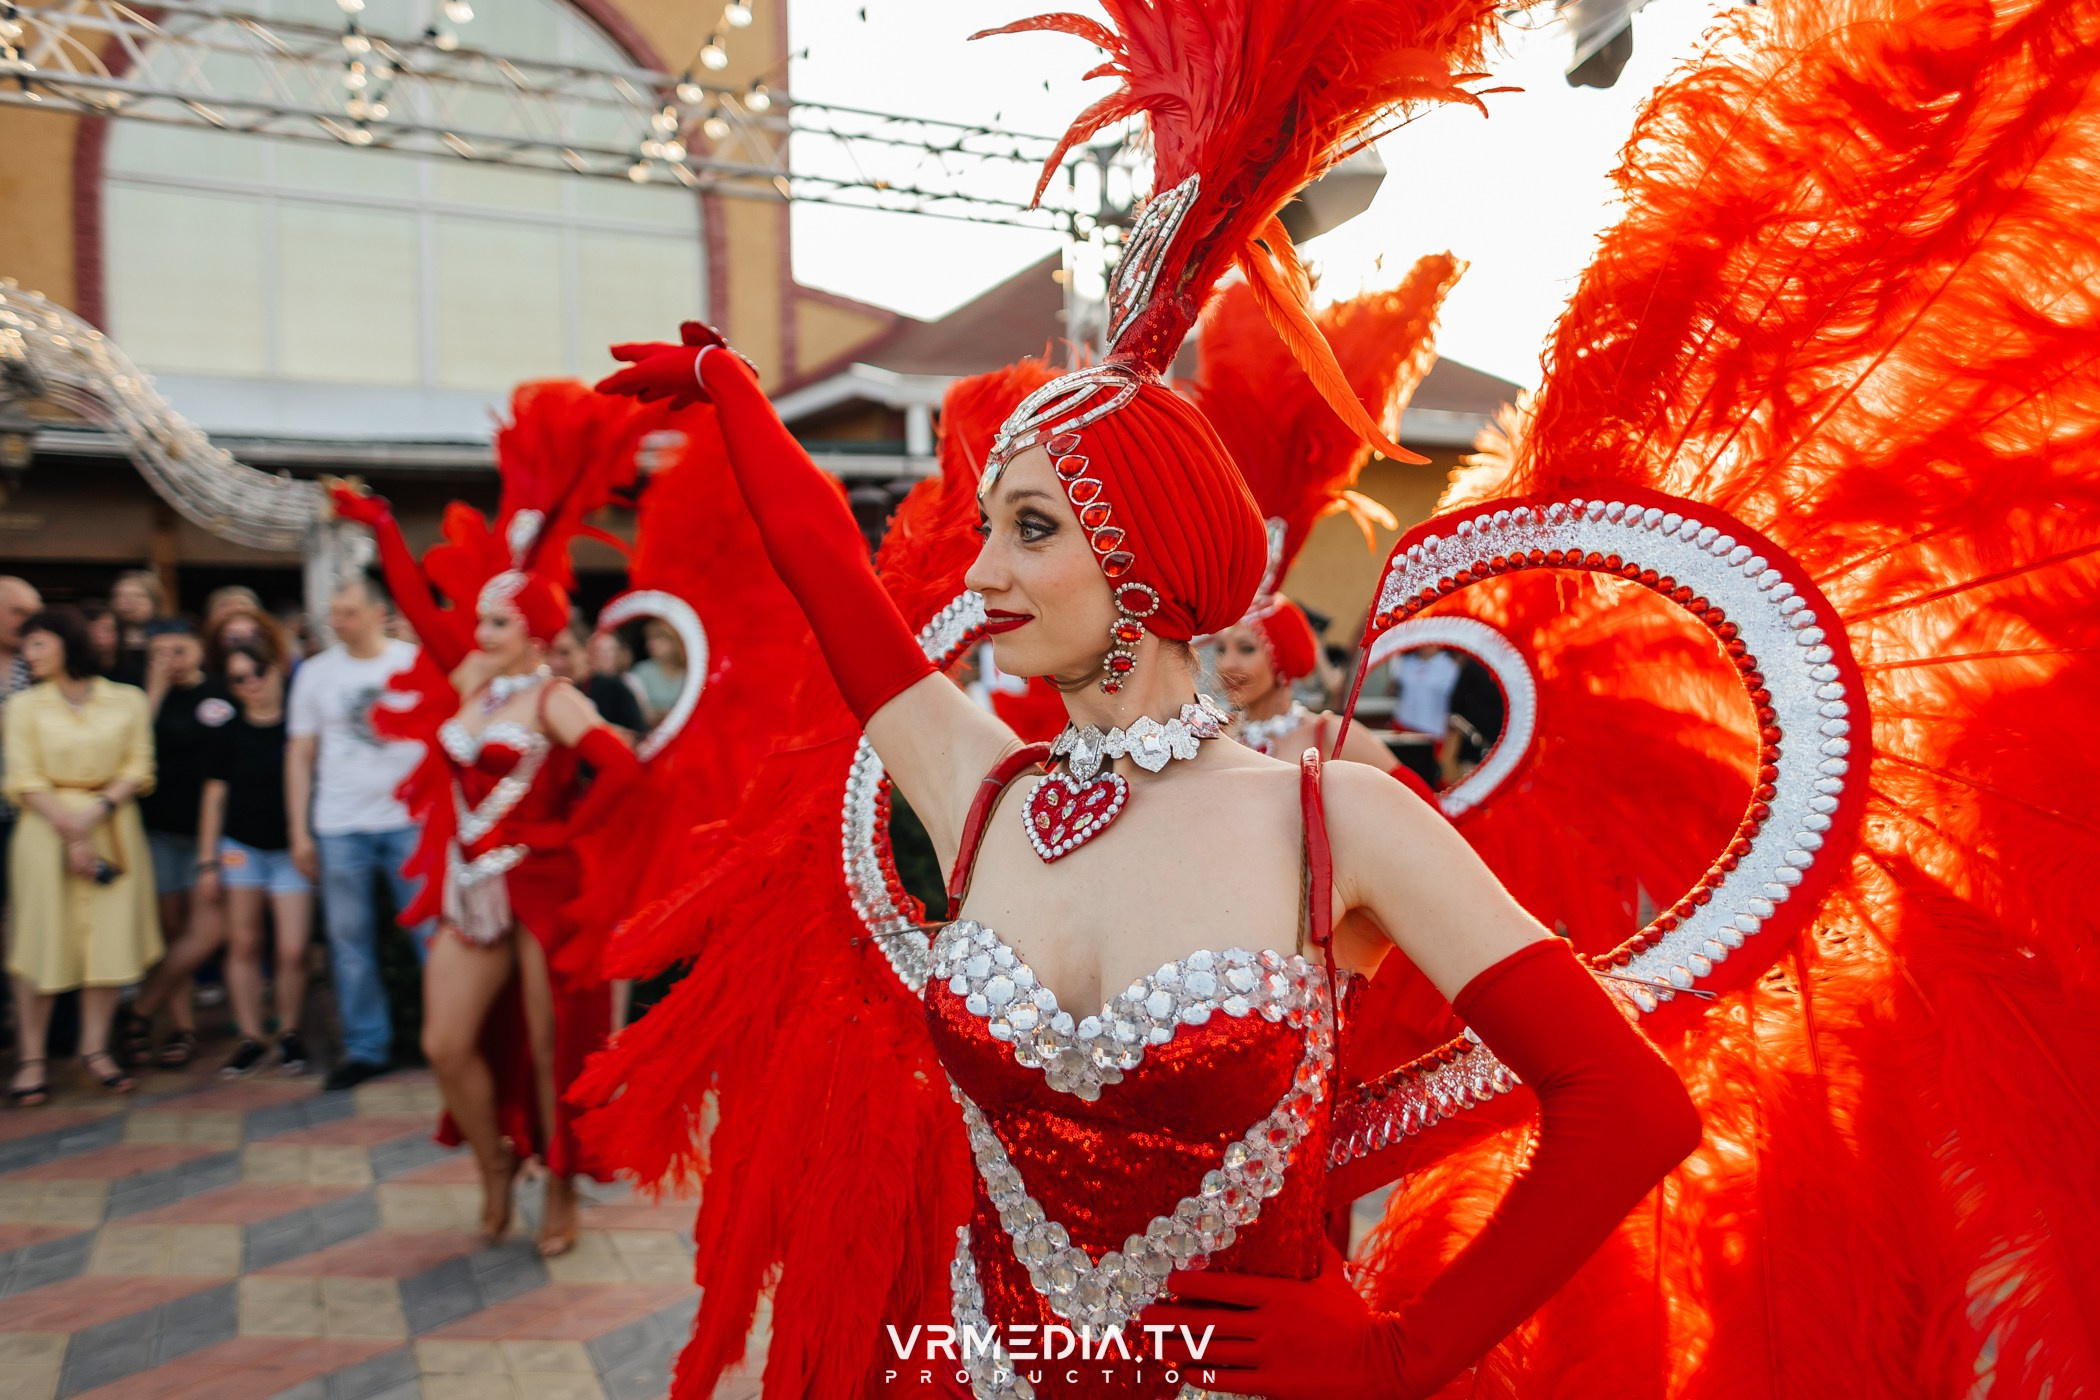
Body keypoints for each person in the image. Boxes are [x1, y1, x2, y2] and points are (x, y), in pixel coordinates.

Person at [593, 2, 1700, 1390]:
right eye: (991, 524)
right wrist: (735, 400)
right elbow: (837, 592)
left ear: (1145, 558)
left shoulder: (1335, 819)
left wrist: (1404, 1354)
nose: (982, 570)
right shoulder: (979, 789)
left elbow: (1628, 1108)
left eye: (1033, 528)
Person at [327, 381, 648, 1258]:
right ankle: (495, 1162)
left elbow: (621, 770)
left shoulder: (556, 697)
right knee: (444, 1042)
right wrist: (383, 527)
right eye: (480, 618)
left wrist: (563, 836)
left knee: (551, 1051)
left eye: (498, 618)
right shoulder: (472, 679)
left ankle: (560, 1193)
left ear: (537, 630)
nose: (479, 627)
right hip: (473, 890)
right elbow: (420, 608)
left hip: (542, 886)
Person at [3, 607, 160, 1103]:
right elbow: (22, 777)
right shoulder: (23, 706)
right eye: (26, 647)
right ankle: (32, 1057)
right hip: (44, 828)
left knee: (107, 941)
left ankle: (94, 1049)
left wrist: (94, 815)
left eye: (37, 645)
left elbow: (139, 765)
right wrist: (72, 832)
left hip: (111, 824)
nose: (28, 656)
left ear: (66, 642)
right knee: (41, 941)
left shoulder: (127, 700)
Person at [285, 575, 426, 1091]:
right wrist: (299, 831)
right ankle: (367, 1048)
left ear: (377, 612)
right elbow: (300, 755)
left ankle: (445, 1036)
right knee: (349, 942)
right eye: (333, 611)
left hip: (410, 821)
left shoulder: (410, 661)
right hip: (340, 824)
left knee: (432, 936)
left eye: (346, 611)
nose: (336, 620)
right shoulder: (314, 674)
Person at [121, 618, 233, 1068]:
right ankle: (181, 1030)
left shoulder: (222, 694)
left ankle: (141, 1008)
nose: (169, 661)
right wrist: (154, 690)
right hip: (158, 831)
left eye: (178, 650)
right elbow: (128, 746)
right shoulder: (135, 696)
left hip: (212, 834)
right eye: (158, 653)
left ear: (198, 650)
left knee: (207, 932)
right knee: (171, 932)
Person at [197, 642, 311, 1076]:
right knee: (243, 942)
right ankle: (250, 1036)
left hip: (290, 849)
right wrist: (207, 862)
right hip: (241, 847)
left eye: (256, 673)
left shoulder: (299, 726)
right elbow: (214, 798)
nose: (250, 685)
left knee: (294, 948)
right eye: (238, 679)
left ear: (276, 670)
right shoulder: (227, 731)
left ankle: (290, 1032)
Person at [549, 617, 645, 738]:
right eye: (549, 653)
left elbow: (638, 738)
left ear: (586, 651)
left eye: (565, 653)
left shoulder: (615, 690)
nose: (556, 662)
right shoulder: (544, 692)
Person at [108, 570, 165, 688]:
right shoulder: (107, 638)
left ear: (154, 601)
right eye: (121, 595)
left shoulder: (167, 635)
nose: (128, 602)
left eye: (138, 596)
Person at [626, 618, 685, 725]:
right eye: (649, 639)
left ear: (675, 641)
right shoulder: (641, 671)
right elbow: (642, 714)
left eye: (658, 638)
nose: (650, 644)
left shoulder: (689, 673)